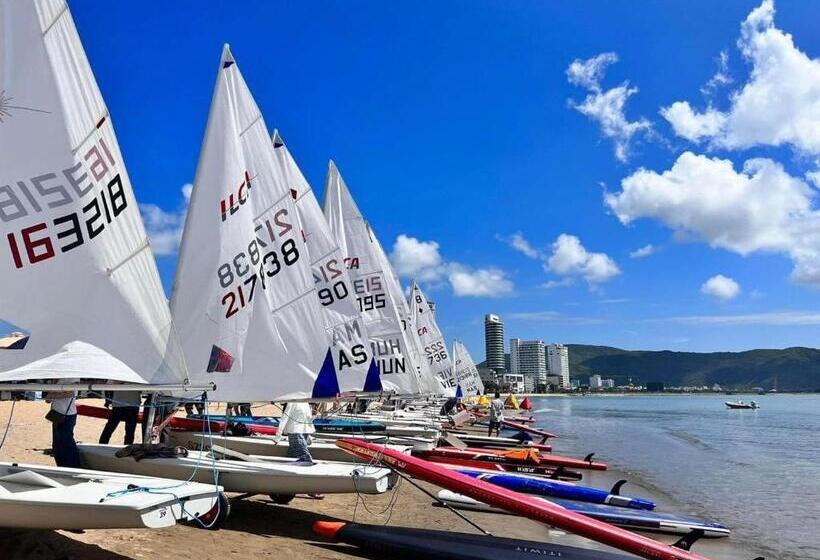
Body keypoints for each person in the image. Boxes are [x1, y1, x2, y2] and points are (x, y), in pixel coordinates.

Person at [46, 385, 81, 468]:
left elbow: (71, 393)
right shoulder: (57, 378)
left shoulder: (71, 377)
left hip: (67, 415)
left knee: (67, 443)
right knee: (57, 445)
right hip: (57, 414)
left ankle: (74, 467)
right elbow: (48, 398)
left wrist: (52, 394)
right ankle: (62, 466)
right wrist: (53, 394)